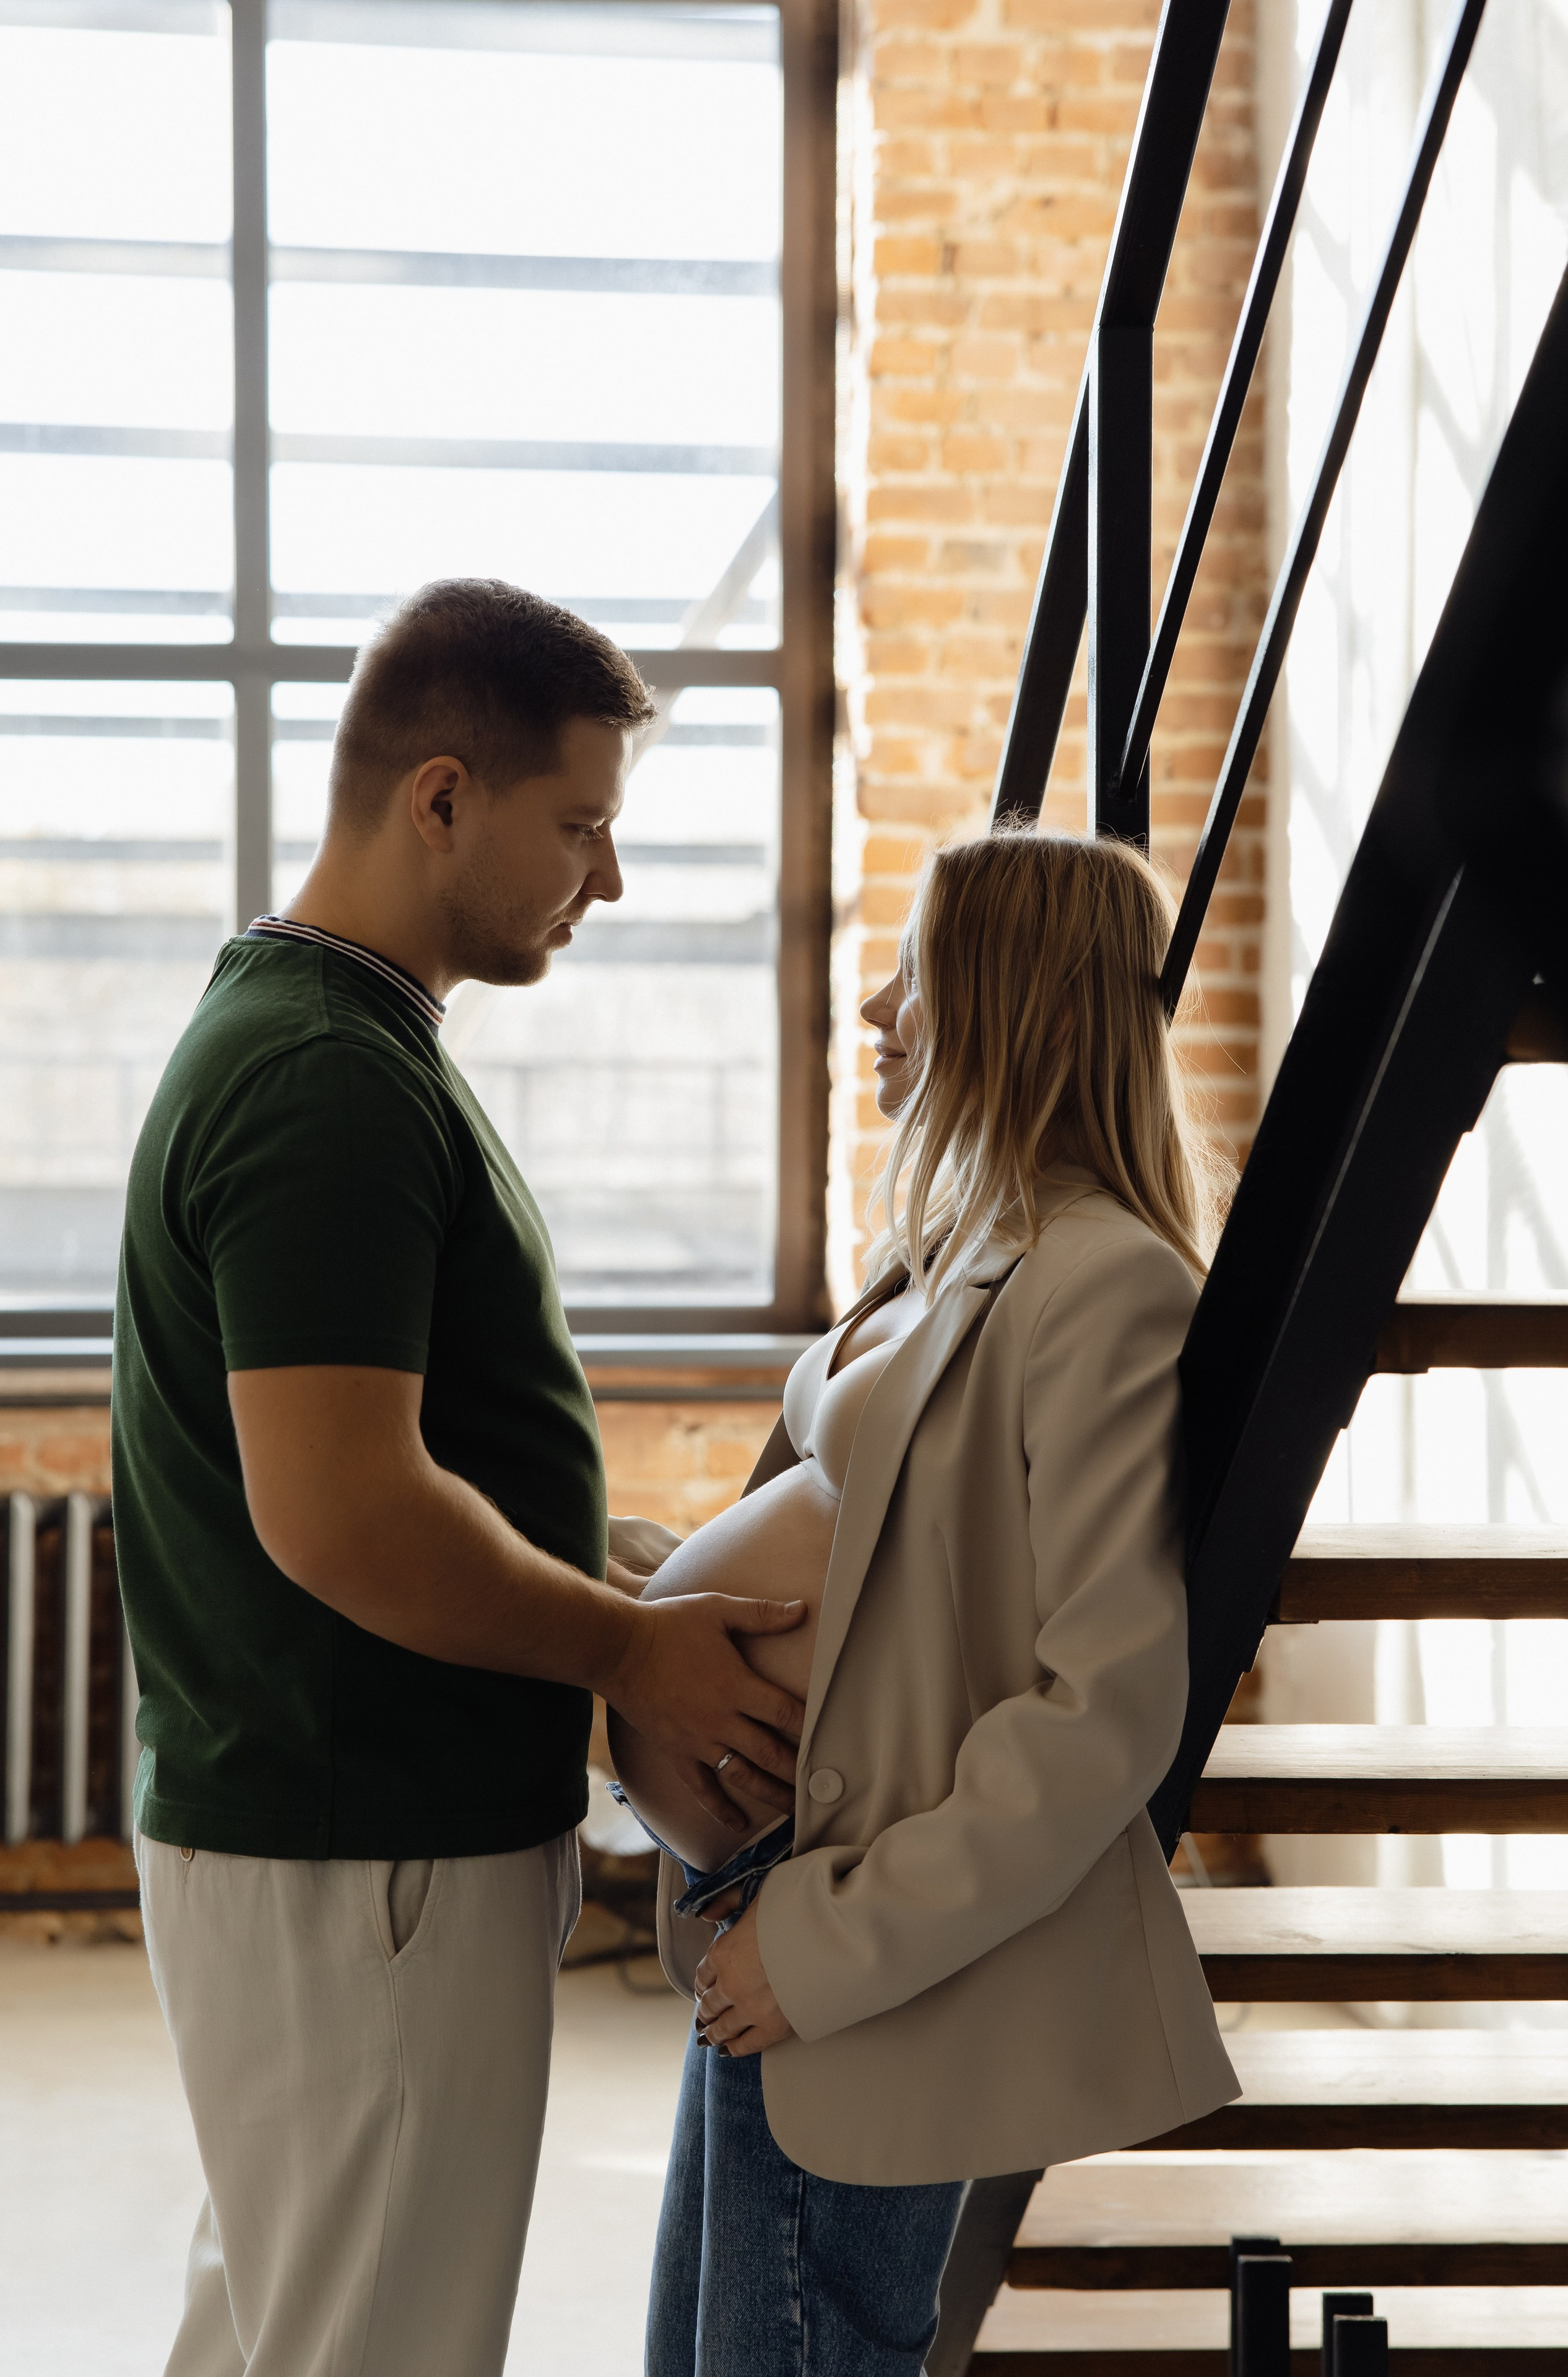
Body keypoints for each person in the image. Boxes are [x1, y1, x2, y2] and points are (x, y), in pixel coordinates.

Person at [113, 579, 808, 2377]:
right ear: (442, 798)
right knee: (374, 2348)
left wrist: (626, 1560)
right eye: (579, 827)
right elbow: (346, 1513)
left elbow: (423, 1454)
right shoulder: (324, 1079)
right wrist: (624, 1651)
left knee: (290, 2320)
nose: (611, 880)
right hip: (369, 1850)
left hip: (339, 1830)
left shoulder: (328, 1032)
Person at [608, 826, 1242, 2377]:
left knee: (798, 2353)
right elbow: (882, 1559)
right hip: (772, 1883)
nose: (879, 1012)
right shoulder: (959, 1252)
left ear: (1007, 1000)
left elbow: (1102, 1712)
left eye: (912, 973)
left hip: (857, 1950)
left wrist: (822, 1948)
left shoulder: (1107, 1285)